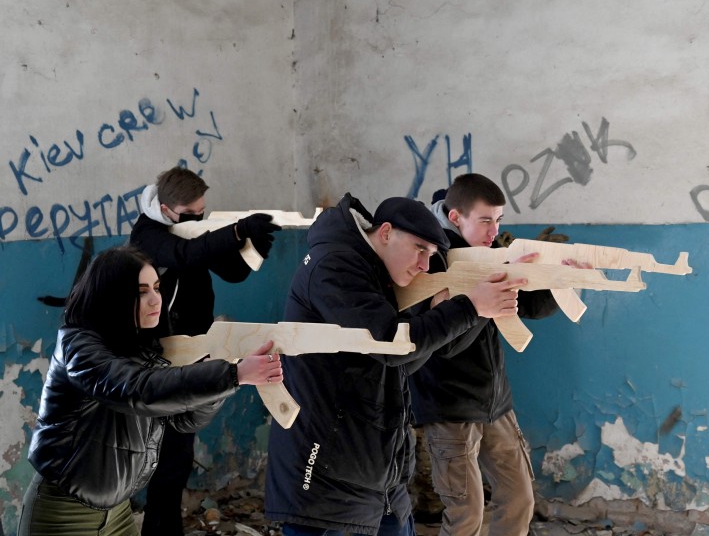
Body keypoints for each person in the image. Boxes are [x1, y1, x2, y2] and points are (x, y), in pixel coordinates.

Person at [265, 193, 526, 536]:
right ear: (386, 232)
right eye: (420, 249)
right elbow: (390, 346)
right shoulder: (335, 265)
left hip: (376, 463)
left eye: (431, 256)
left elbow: (400, 365)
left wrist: (439, 315)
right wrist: (468, 308)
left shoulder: (376, 271)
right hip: (325, 468)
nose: (423, 265)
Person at [18, 245, 283, 536]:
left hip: (118, 513)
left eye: (157, 287)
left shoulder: (141, 346)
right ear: (115, 295)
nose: (156, 299)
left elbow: (184, 420)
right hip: (64, 514)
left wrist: (222, 370)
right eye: (142, 291)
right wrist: (232, 374)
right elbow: (136, 390)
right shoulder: (78, 346)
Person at [129, 166, 281, 536]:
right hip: (151, 361)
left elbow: (232, 272)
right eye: (190, 214)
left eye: (202, 211)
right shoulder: (146, 235)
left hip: (191, 356)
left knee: (177, 459)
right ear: (165, 209)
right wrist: (236, 231)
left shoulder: (190, 227)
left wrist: (255, 242)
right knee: (150, 462)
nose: (198, 218)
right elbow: (183, 253)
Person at [409, 173, 562, 536]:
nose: (494, 230)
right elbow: (443, 346)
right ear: (455, 216)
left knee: (520, 498)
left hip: (495, 403)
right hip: (449, 406)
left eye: (498, 220)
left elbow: (530, 306)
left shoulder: (489, 252)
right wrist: (480, 304)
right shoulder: (432, 260)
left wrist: (556, 276)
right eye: (485, 220)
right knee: (466, 515)